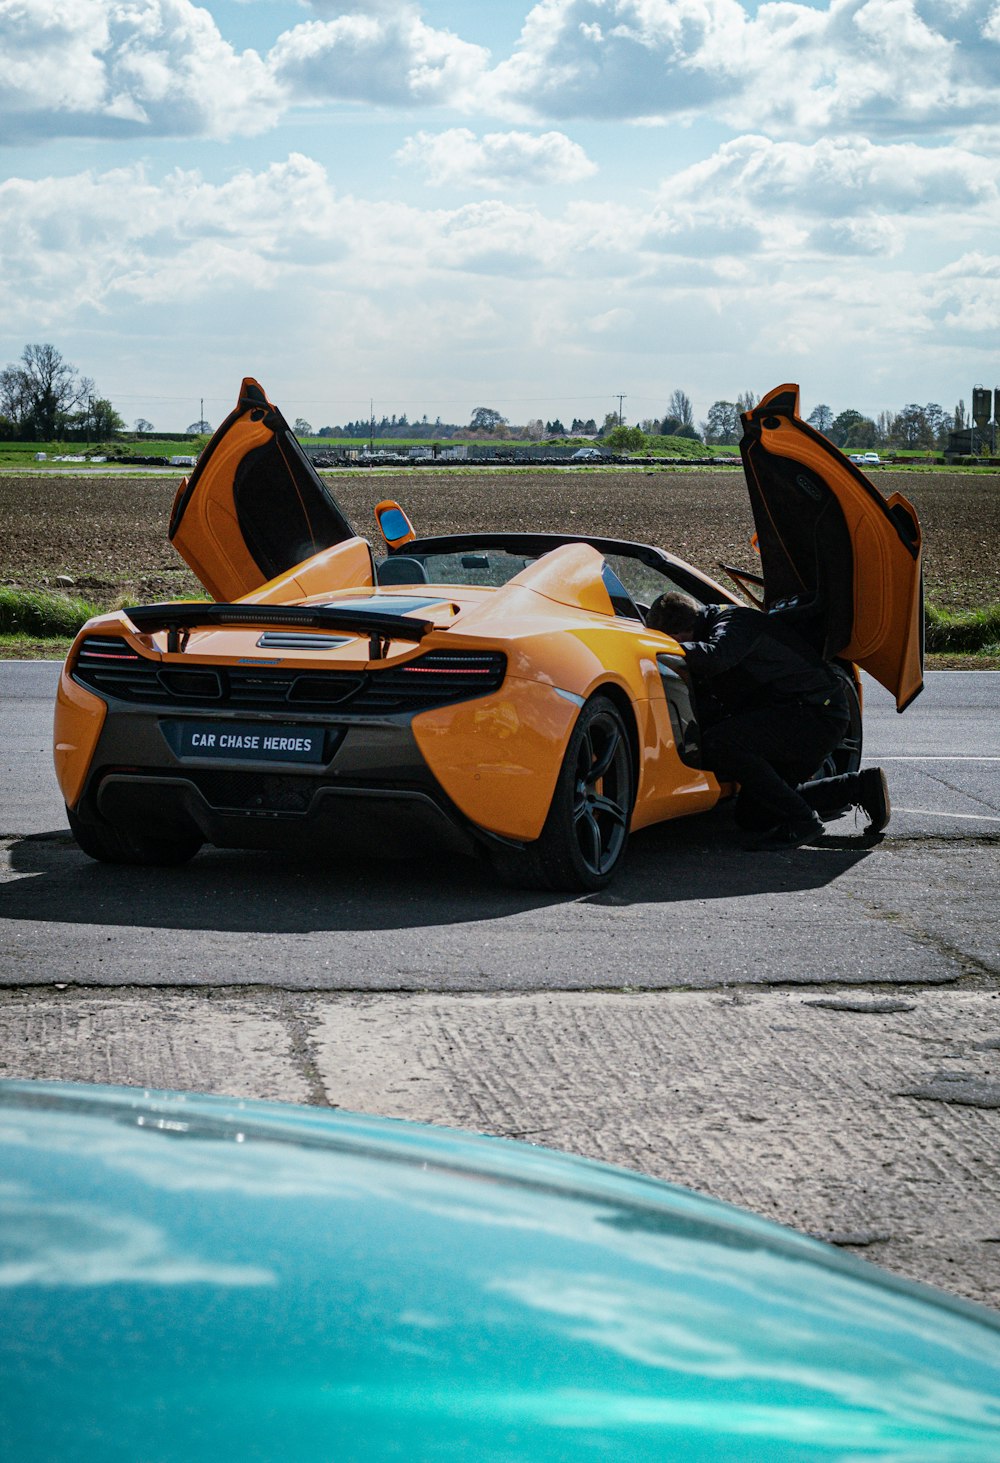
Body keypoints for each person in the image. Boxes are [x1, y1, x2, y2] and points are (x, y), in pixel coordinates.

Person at [645, 590, 890, 850]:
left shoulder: (734, 621)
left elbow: (715, 657)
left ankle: (803, 821)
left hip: (814, 714)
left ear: (682, 631)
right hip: (802, 714)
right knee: (753, 816)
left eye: (673, 642)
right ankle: (859, 786)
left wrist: (661, 650)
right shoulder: (718, 626)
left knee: (720, 743)